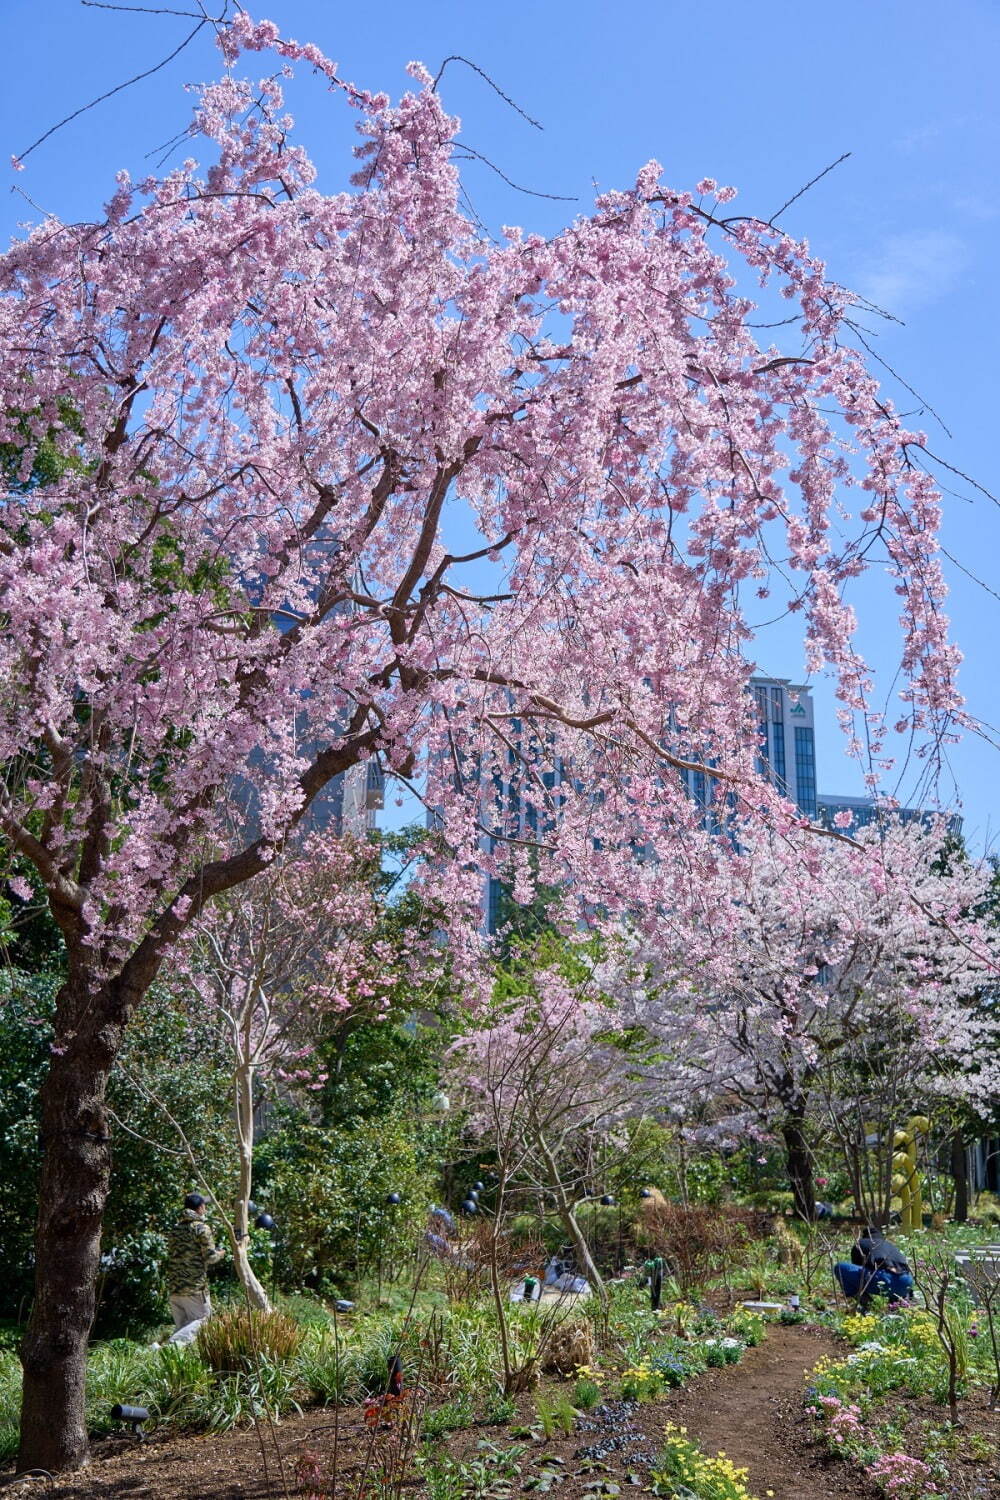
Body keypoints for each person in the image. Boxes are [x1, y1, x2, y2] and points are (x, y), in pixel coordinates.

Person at [163, 1192, 224, 1345]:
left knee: (183, 1328)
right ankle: (166, 1347)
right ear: (201, 1207)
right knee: (203, 1320)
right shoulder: (201, 1228)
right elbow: (210, 1257)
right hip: (194, 1288)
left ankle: (168, 1358)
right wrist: (221, 1253)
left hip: (174, 1286)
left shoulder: (175, 1229)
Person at [833, 1225, 913, 1309]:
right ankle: (894, 1308)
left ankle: (870, 1306)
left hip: (884, 1279)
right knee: (895, 1283)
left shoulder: (861, 1243)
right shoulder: (890, 1245)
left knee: (840, 1267)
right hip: (906, 1282)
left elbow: (857, 1269)